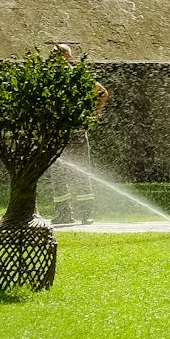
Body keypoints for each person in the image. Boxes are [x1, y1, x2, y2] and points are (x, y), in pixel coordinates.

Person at [48, 43, 111, 225]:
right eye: (54, 56)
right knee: (62, 174)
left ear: (67, 57)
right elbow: (102, 94)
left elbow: (102, 93)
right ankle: (69, 214)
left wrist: (94, 116)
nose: (55, 59)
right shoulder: (61, 77)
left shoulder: (76, 77)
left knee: (78, 172)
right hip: (63, 132)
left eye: (59, 55)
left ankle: (78, 214)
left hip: (71, 132)